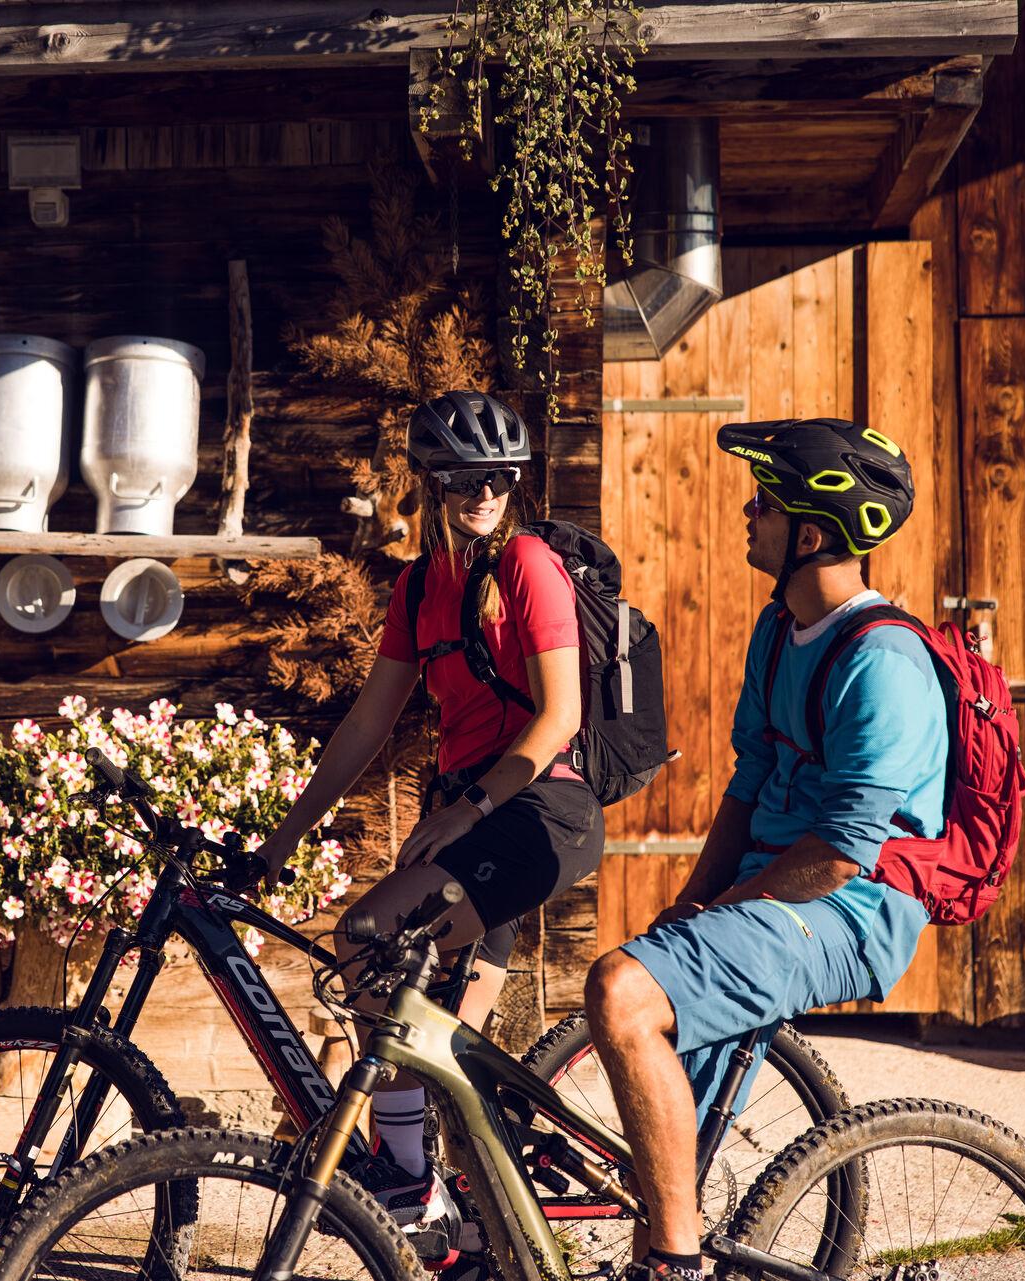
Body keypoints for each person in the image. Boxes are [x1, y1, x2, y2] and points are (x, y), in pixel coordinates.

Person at [583, 418, 946, 1281]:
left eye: (765, 504)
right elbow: (748, 784)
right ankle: (664, 1241)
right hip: (772, 894)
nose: (748, 514)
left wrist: (720, 909)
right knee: (659, 1158)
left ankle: (678, 1263)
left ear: (809, 536)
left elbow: (841, 854)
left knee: (620, 991)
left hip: (847, 911)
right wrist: (691, 902)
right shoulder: (779, 628)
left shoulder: (883, 661)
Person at [259, 390, 605, 1244]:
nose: (482, 493)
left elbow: (560, 715)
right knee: (439, 1049)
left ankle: (408, 1186)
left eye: (498, 478)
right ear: (431, 484)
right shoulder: (419, 586)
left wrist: (474, 806)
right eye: (461, 478)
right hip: (471, 820)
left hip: (538, 809)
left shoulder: (527, 563)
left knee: (369, 935)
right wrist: (287, 834)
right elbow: (367, 724)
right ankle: (483, 1231)